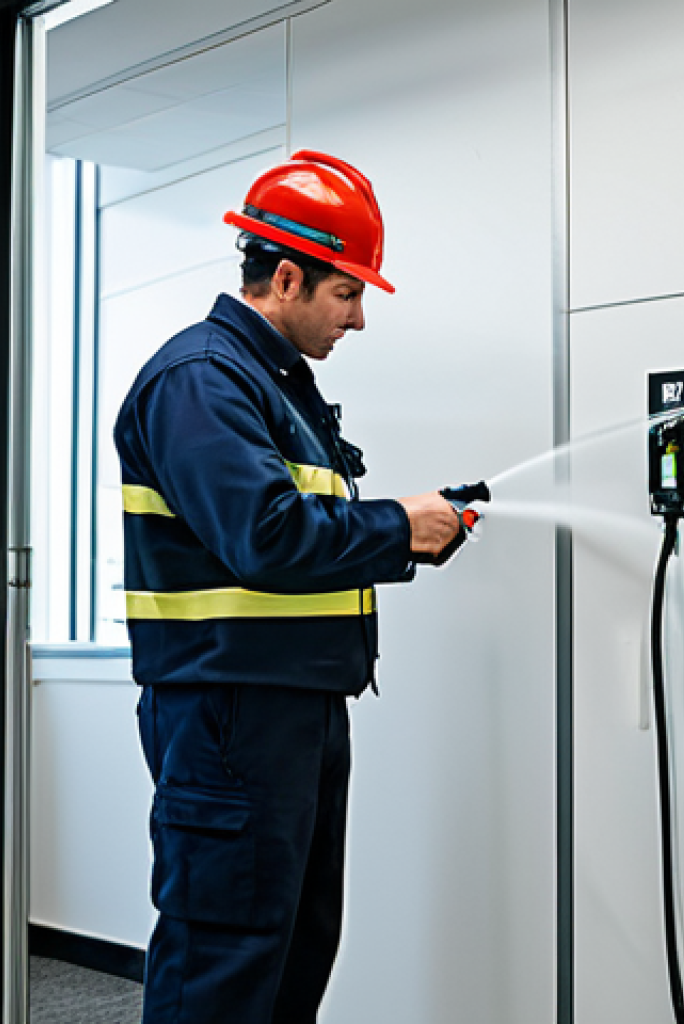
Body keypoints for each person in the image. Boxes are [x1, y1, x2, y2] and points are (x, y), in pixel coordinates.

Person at [113, 150, 461, 1024]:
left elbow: (294, 537)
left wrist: (411, 535)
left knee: (290, 948)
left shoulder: (268, 384)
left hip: (286, 709)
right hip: (231, 715)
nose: (358, 319)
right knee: (226, 959)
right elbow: (264, 536)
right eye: (348, 295)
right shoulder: (202, 380)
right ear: (287, 276)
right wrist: (398, 527)